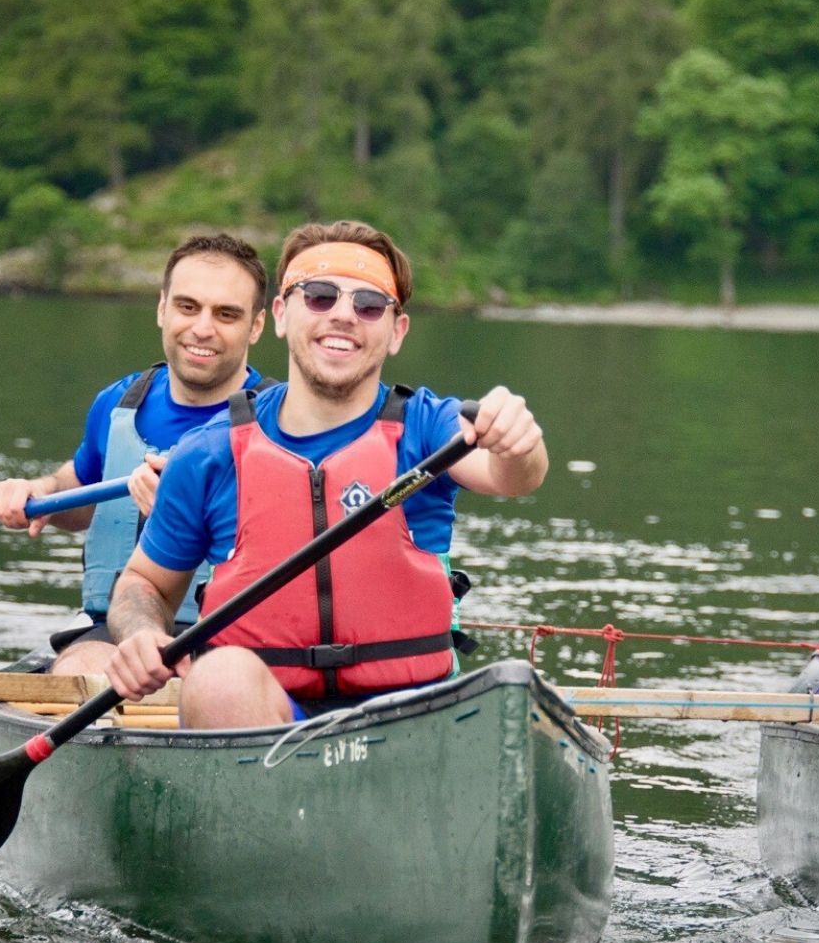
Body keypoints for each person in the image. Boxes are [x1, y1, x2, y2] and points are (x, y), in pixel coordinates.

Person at [101, 219, 547, 729]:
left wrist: (518, 441)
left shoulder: (427, 426)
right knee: (218, 675)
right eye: (319, 296)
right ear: (281, 314)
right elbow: (145, 584)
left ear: (396, 330)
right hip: (268, 726)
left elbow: (513, 476)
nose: (343, 317)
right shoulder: (207, 452)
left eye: (369, 305)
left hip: (414, 719)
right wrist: (139, 634)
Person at [0, 233, 271, 675]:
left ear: (255, 326)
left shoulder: (281, 423)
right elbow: (82, 491)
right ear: (162, 309)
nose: (202, 328)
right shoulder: (120, 402)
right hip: (113, 630)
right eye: (187, 307)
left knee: (209, 682)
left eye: (227, 314)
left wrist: (186, 511)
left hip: (233, 638)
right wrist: (37, 491)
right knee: (81, 672)